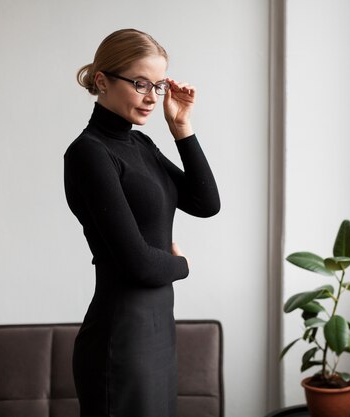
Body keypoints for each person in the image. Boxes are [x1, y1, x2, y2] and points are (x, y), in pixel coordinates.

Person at [63, 28, 220, 417]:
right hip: (121, 337)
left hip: (158, 328)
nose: (152, 97)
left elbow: (206, 203)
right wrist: (182, 264)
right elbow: (137, 262)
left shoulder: (141, 145)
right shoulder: (89, 154)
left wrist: (181, 127)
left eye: (159, 86)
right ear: (102, 81)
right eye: (140, 84)